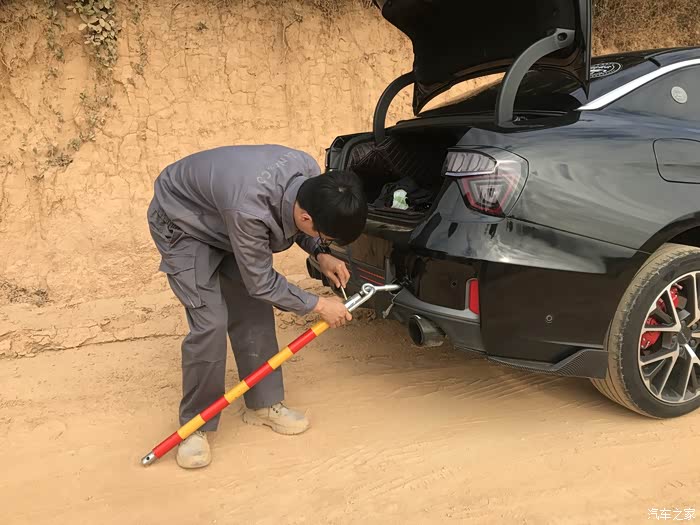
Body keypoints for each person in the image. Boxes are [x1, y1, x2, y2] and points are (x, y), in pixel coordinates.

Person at [146, 145, 367, 469]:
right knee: (210, 324)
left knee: (253, 309)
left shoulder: (307, 171)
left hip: (227, 215)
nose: (327, 241)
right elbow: (262, 282)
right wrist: (320, 305)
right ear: (307, 218)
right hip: (182, 221)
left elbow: (295, 222)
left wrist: (321, 253)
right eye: (328, 238)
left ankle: (263, 404)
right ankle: (195, 426)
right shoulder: (249, 209)